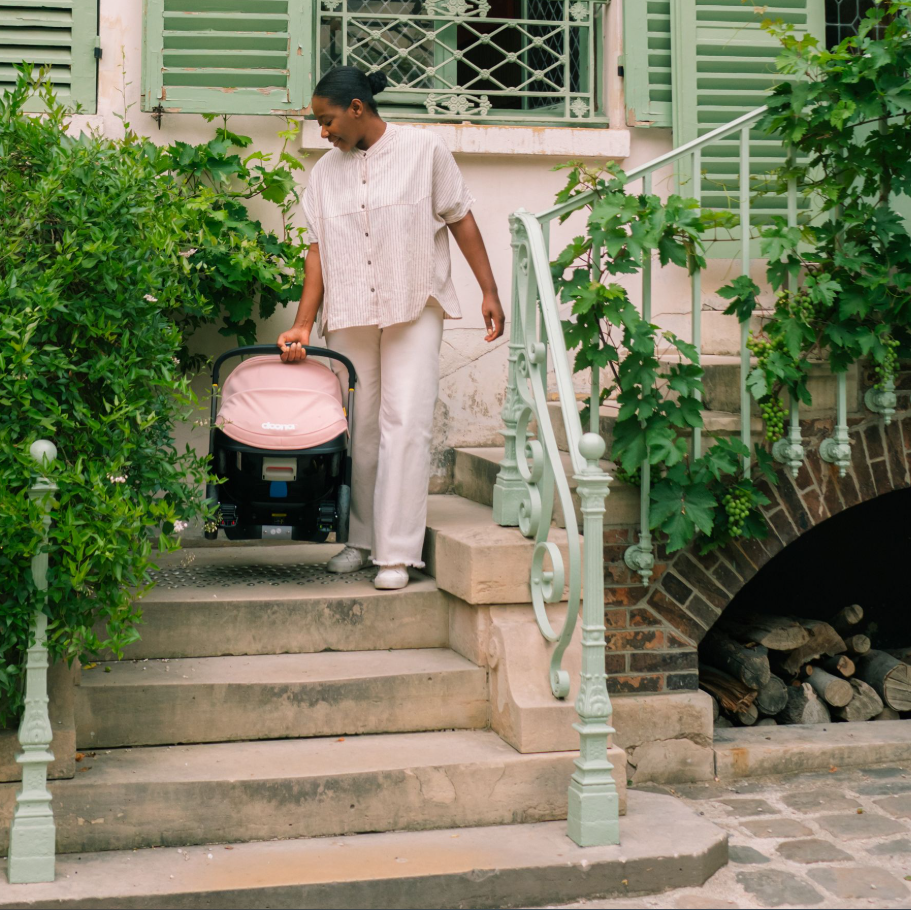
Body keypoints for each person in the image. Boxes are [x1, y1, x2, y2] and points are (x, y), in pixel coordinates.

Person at [278, 66, 504, 591]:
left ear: (357, 108)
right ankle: (360, 540)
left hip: (413, 301)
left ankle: (397, 553)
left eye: (327, 120)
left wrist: (488, 291)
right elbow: (317, 250)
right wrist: (303, 322)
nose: (323, 132)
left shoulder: (424, 151)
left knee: (407, 421)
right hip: (352, 307)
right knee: (361, 425)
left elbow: (461, 218)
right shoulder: (323, 173)